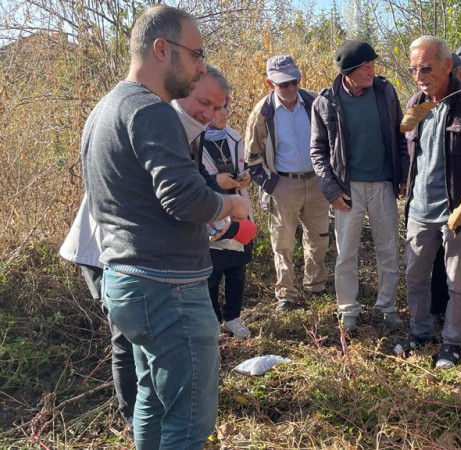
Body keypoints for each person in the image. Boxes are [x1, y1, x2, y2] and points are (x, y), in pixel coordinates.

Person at [80, 5, 250, 448]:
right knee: (189, 422)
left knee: (153, 400)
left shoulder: (106, 108)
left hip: (128, 283)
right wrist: (230, 203)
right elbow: (185, 198)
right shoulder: (150, 110)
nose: (199, 67)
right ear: (162, 49)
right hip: (167, 288)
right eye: (196, 54)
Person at [394, 36, 461, 369]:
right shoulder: (416, 103)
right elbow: (413, 155)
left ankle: (452, 342)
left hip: (458, 212)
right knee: (415, 275)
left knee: (458, 280)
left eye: (425, 68)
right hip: (419, 209)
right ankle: (420, 332)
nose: (419, 76)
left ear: (447, 65)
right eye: (414, 69)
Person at [310, 40, 409, 332]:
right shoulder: (326, 101)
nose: (372, 71)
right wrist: (330, 189)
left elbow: (400, 134)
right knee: (346, 254)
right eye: (366, 67)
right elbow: (317, 150)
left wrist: (402, 175)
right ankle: (348, 310)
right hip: (347, 189)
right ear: (348, 72)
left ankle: (386, 308)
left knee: (389, 249)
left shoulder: (385, 91)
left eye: (373, 66)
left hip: (382, 184)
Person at [246, 55, 329, 312]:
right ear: (270, 83)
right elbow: (251, 157)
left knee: (319, 238)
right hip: (283, 184)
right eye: (284, 84)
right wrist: (270, 185)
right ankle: (286, 294)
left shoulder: (314, 102)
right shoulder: (262, 113)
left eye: (294, 81)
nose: (291, 88)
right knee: (282, 243)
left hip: (316, 182)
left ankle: (315, 285)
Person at [59, 196, 136, 434]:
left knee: (134, 336)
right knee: (125, 338)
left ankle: (143, 408)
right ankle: (132, 417)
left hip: (118, 252)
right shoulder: (129, 159)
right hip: (103, 256)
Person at [201, 85, 255, 339]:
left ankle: (232, 316)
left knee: (238, 267)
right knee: (212, 271)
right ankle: (213, 319)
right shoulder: (194, 140)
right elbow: (189, 178)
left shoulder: (234, 137)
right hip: (212, 212)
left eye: (226, 107)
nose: (223, 113)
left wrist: (244, 179)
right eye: (217, 108)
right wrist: (214, 181)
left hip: (238, 208)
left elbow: (243, 166)